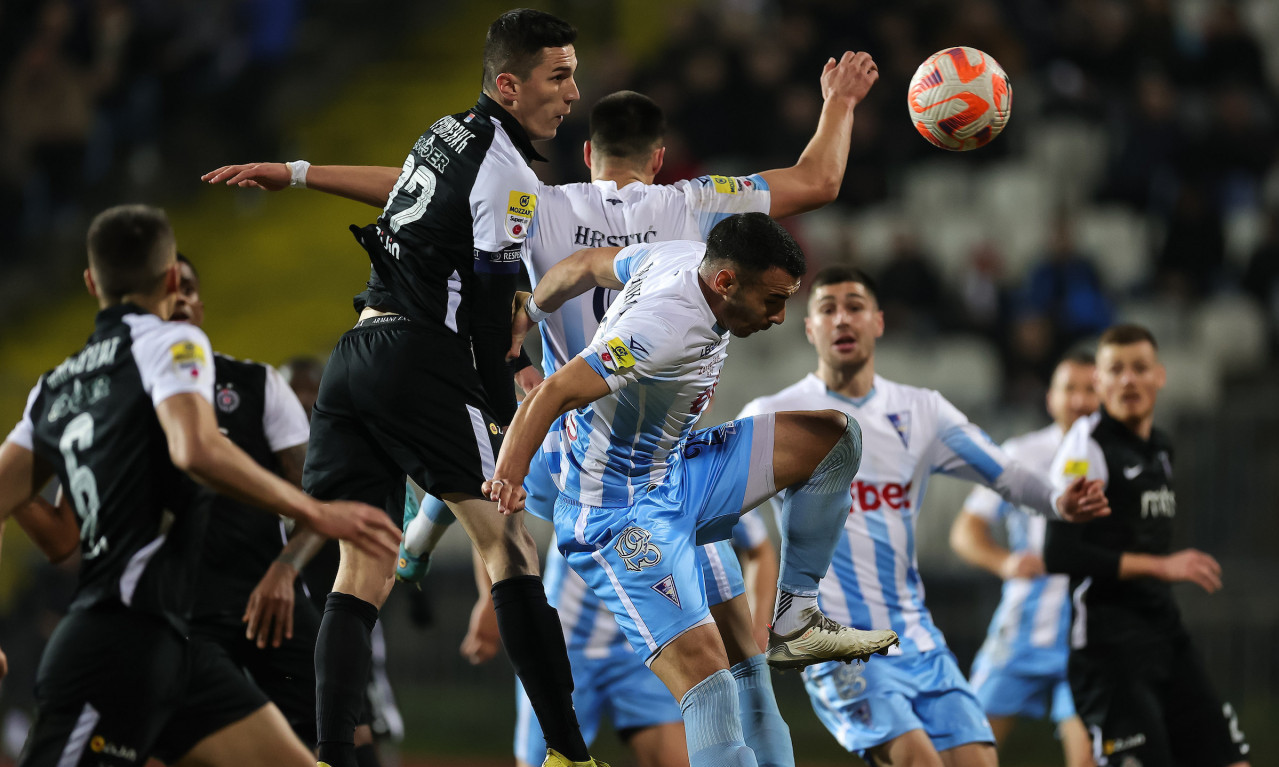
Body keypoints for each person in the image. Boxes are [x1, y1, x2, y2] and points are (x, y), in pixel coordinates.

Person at [206, 52, 879, 767]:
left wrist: (304, 175)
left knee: (503, 483)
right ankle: (563, 706)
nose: (779, 312)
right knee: (727, 669)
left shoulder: (538, 201)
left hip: (601, 440)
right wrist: (837, 101)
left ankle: (419, 548)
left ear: (587, 153)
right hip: (603, 467)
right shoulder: (693, 210)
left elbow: (414, 194)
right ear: (658, 158)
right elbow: (817, 180)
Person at [214, 11, 602, 767]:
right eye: (559, 76)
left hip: (354, 354)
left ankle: (329, 755)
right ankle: (567, 753)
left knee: (361, 569)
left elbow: (402, 193)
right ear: (508, 84)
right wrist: (506, 416)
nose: (572, 92)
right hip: (415, 356)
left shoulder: (446, 132)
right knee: (508, 541)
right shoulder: (510, 175)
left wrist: (295, 174)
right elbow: (489, 315)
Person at [489, 214, 912, 767]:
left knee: (833, 438)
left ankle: (796, 616)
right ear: (726, 283)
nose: (781, 316)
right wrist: (508, 480)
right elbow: (553, 393)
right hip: (620, 511)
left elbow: (585, 265)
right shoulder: (662, 330)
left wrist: (529, 310)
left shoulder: (681, 254)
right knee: (712, 687)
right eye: (773, 300)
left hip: (679, 471)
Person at [0, 204, 399, 767]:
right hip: (114, 641)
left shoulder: (54, 387)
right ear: (169, 280)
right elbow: (195, 449)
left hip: (177, 648)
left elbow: (43, 525)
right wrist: (319, 513)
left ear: (92, 283)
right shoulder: (173, 344)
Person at [735, 266, 1109, 767]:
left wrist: (1060, 502)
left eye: (855, 306)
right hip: (835, 642)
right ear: (810, 329)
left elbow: (1005, 472)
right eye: (827, 309)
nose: (842, 318)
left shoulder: (922, 411)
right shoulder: (773, 415)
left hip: (917, 638)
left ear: (879, 322)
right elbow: (723, 508)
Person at [1044, 324, 1251, 766]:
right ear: (1098, 382)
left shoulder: (1160, 449)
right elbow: (1059, 553)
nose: (1128, 380)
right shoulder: (1087, 448)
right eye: (1115, 369)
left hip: (1165, 636)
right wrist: (1161, 568)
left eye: (1139, 368)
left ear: (1160, 376)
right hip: (1109, 650)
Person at [168, 254, 325, 748]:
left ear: (201, 305)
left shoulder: (257, 385)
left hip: (269, 594)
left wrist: (284, 571)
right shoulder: (126, 394)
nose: (178, 299)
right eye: (165, 288)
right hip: (180, 609)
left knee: (339, 730)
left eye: (188, 288)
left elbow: (313, 501)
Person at [949, 350, 1099, 767]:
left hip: (1090, 633)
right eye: (1070, 388)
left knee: (1087, 759)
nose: (1080, 399)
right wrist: (1005, 563)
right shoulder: (1022, 453)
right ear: (1050, 397)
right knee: (968, 749)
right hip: (1024, 625)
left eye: (1091, 389)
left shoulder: (1120, 461)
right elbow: (966, 530)